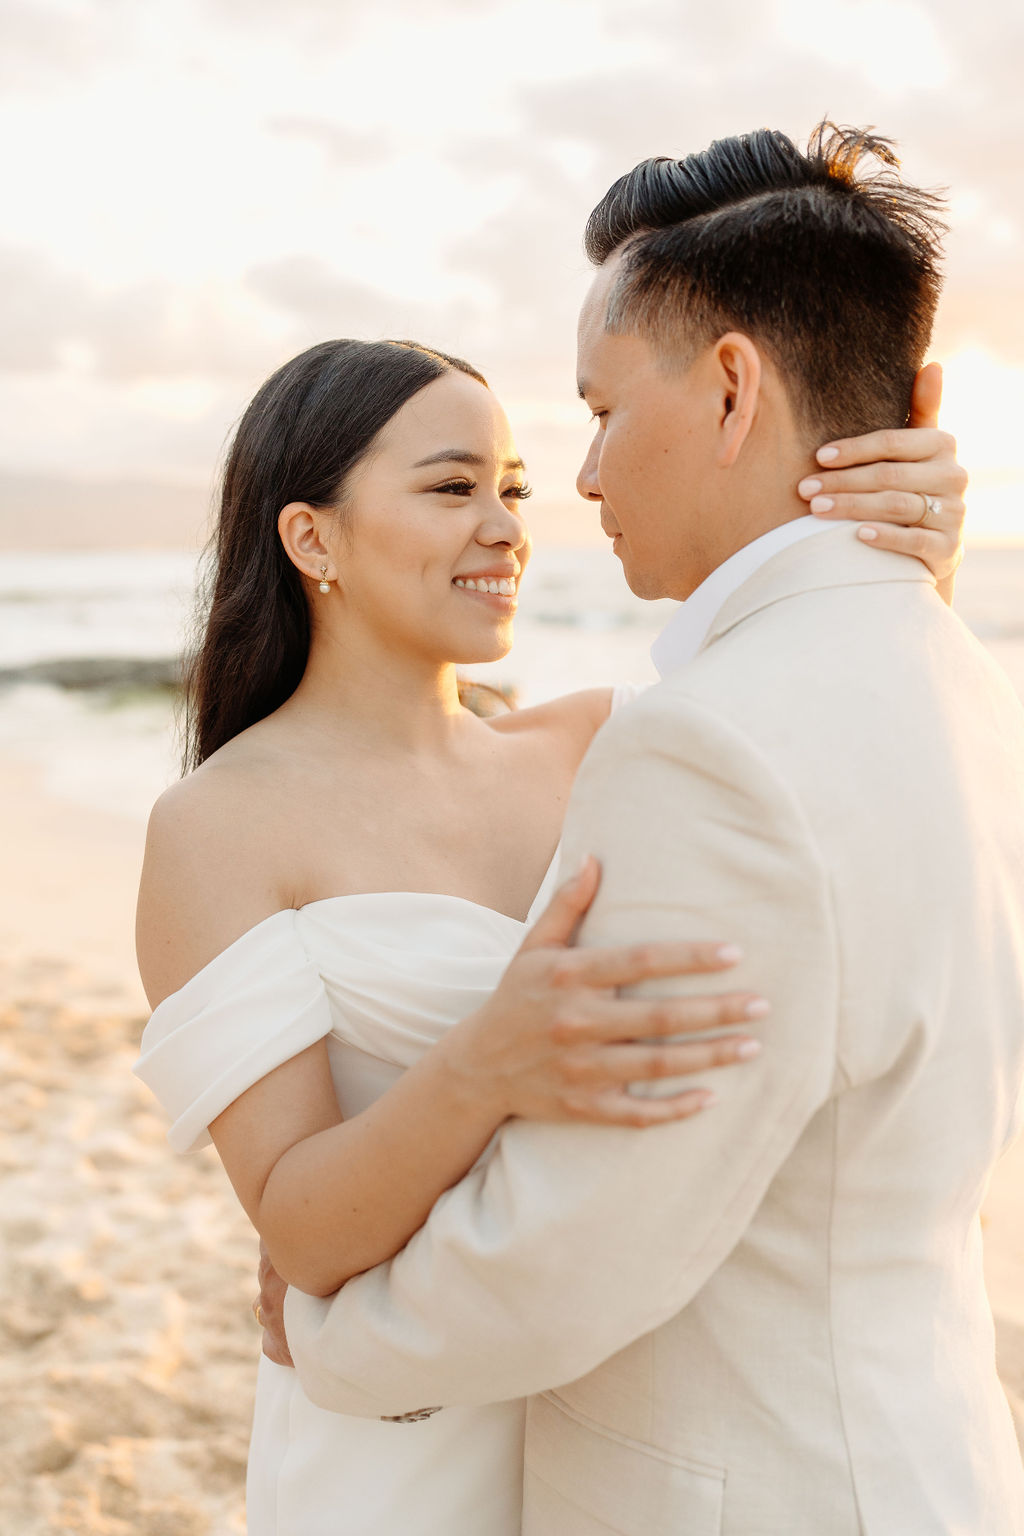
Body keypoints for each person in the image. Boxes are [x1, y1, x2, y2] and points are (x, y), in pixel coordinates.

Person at [133, 134, 970, 1535]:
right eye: (454, 487)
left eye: (516, 485)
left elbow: (832, 763)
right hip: (402, 1442)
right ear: (312, 539)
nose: (516, 522)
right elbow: (296, 1228)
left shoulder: (608, 737)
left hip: (624, 1407)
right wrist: (486, 1063)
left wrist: (903, 567)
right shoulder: (217, 827)